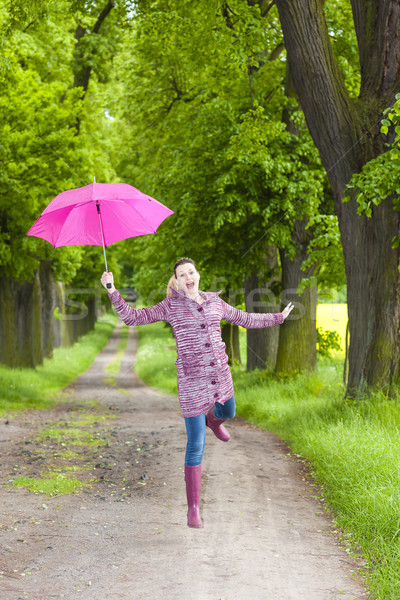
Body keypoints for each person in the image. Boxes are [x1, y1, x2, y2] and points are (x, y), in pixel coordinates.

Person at [100, 258, 294, 528]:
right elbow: (133, 317)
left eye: (191, 272)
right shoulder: (171, 306)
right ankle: (193, 509)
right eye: (182, 274)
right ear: (176, 281)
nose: (188, 277)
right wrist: (112, 289)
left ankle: (213, 420)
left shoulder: (215, 302)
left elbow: (245, 318)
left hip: (220, 377)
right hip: (191, 382)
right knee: (196, 445)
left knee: (229, 411)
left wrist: (278, 317)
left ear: (198, 275)